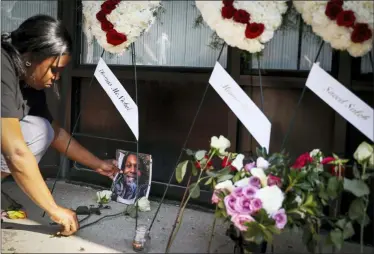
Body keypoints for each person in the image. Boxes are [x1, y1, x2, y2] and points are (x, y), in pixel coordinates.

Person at [1, 15, 119, 236]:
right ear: (32, 57)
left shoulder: (28, 78)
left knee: (40, 129)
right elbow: (15, 152)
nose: (56, 78)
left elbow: (54, 133)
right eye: (54, 69)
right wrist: (54, 209)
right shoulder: (2, 66)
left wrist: (98, 164)